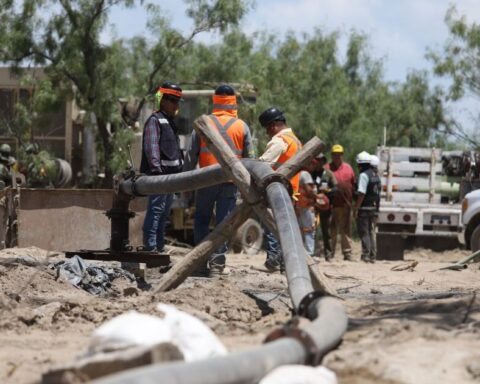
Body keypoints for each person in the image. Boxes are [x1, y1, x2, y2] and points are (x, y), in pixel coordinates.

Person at [184, 84, 254, 276]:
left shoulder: (203, 123)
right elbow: (250, 160)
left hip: (205, 181)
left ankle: (198, 263)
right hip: (230, 184)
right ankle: (217, 264)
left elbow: (190, 156)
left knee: (201, 221)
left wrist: (186, 185)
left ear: (215, 101)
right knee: (224, 223)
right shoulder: (242, 127)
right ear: (233, 102)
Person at [140, 81, 184, 253]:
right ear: (163, 101)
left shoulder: (170, 122)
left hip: (171, 178)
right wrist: (157, 173)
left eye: (177, 101)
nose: (176, 105)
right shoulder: (155, 120)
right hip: (159, 176)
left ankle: (159, 247)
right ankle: (150, 247)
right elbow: (152, 148)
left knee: (164, 214)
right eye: (173, 101)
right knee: (156, 211)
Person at [258, 107, 302, 271]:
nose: (268, 132)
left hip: (278, 189)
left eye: (268, 128)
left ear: (275, 124)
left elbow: (263, 163)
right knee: (286, 227)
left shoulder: (280, 140)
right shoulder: (295, 140)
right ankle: (285, 262)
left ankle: (274, 259)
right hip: (292, 189)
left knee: (273, 224)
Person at [326, 144, 355, 261]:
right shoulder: (326, 168)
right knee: (331, 230)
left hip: (345, 204)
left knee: (346, 230)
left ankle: (347, 253)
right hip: (330, 205)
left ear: (342, 155)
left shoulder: (348, 168)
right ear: (332, 155)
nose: (337, 157)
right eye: (334, 155)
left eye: (339, 155)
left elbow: (353, 184)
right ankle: (329, 253)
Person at [309, 153, 337, 260]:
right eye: (316, 160)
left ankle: (328, 254)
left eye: (320, 160)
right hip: (313, 206)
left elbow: (336, 188)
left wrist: (327, 192)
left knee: (327, 231)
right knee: (312, 229)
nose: (318, 162)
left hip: (326, 207)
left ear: (323, 162)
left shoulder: (329, 174)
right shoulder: (311, 174)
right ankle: (313, 253)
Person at [353, 151, 381, 263]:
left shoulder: (364, 175)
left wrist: (356, 208)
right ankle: (373, 256)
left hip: (364, 209)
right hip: (373, 208)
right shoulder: (375, 175)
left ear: (360, 164)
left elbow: (361, 193)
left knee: (364, 232)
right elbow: (378, 195)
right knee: (370, 232)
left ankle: (366, 255)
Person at [296, 170, 317, 256]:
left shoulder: (296, 174)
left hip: (297, 205)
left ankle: (300, 252)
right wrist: (317, 196)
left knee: (299, 230)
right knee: (309, 229)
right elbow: (309, 190)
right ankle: (309, 253)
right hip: (306, 205)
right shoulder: (305, 174)